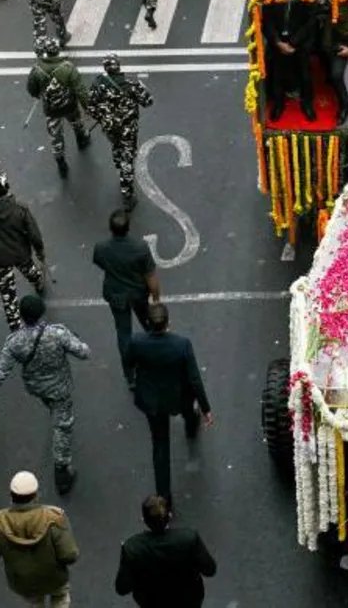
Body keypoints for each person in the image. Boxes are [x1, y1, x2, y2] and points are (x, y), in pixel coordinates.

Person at [0, 296, 91, 495]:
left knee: (51, 406)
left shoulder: (15, 341)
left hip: (37, 387)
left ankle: (53, 413)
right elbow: (84, 353)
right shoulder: (57, 333)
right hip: (60, 387)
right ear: (42, 312)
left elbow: (0, 371)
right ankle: (62, 470)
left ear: (21, 315)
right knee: (63, 426)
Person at [126, 303, 214, 507]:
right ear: (168, 323)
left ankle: (164, 500)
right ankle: (191, 425)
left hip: (152, 399)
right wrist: (206, 408)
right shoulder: (181, 345)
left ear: (148, 323)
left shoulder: (137, 342)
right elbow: (194, 378)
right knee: (188, 410)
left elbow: (128, 362)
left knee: (160, 446)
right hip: (179, 395)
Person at [0, 471, 80, 608]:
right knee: (60, 598)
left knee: (35, 602)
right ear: (36, 495)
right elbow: (69, 555)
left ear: (11, 495)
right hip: (54, 578)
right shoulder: (54, 518)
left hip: (23, 583)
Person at [93, 209, 164, 385]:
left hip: (116, 295)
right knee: (150, 326)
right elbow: (151, 278)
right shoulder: (140, 248)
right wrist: (156, 300)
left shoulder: (101, 248)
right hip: (138, 294)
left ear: (110, 228)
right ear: (128, 227)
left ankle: (130, 375)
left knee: (123, 333)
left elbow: (101, 264)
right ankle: (157, 358)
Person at [0, 172, 48, 331]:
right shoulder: (19, 208)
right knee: (30, 271)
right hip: (20, 252)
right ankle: (38, 283)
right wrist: (40, 251)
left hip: (0, 257)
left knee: (8, 295)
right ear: (7, 187)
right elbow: (34, 234)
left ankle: (15, 327)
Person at [115, 495, 218, 607]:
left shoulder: (132, 548)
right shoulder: (189, 538)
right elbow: (210, 570)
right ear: (169, 515)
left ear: (144, 520)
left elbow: (122, 588)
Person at [88, 55, 156, 210]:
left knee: (116, 146)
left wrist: (103, 118)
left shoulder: (98, 84)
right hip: (128, 128)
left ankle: (119, 163)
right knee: (128, 156)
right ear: (118, 66)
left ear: (105, 68)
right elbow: (148, 101)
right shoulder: (131, 83)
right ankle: (127, 194)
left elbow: (91, 108)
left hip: (110, 128)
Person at [261, 0, 319, 121]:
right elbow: (267, 19)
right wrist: (278, 42)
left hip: (300, 40)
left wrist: (293, 42)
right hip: (279, 40)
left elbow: (311, 19)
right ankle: (278, 104)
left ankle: (307, 104)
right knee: (278, 74)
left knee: (305, 74)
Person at [27, 36, 92, 179]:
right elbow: (80, 90)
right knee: (76, 122)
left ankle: (61, 163)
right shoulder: (68, 67)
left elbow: (32, 89)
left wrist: (39, 93)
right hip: (69, 105)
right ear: (57, 50)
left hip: (51, 109)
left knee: (55, 136)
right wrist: (88, 107)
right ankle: (81, 139)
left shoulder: (37, 69)